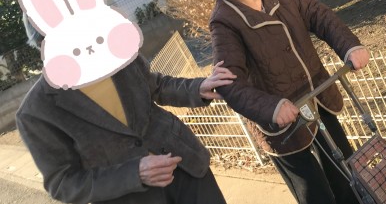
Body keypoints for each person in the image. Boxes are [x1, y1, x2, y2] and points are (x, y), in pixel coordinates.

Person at [192, 0, 370, 204]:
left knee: (347, 175)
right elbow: (229, 83)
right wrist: (272, 108)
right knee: (315, 194)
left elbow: (316, 14)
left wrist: (349, 46)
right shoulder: (224, 22)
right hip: (281, 124)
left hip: (316, 97)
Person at [17, 15, 236, 204]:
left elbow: (156, 86)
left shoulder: (116, 55)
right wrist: (135, 174)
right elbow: (63, 183)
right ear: (44, 42)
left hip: (185, 165)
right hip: (130, 197)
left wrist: (197, 87)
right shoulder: (35, 111)